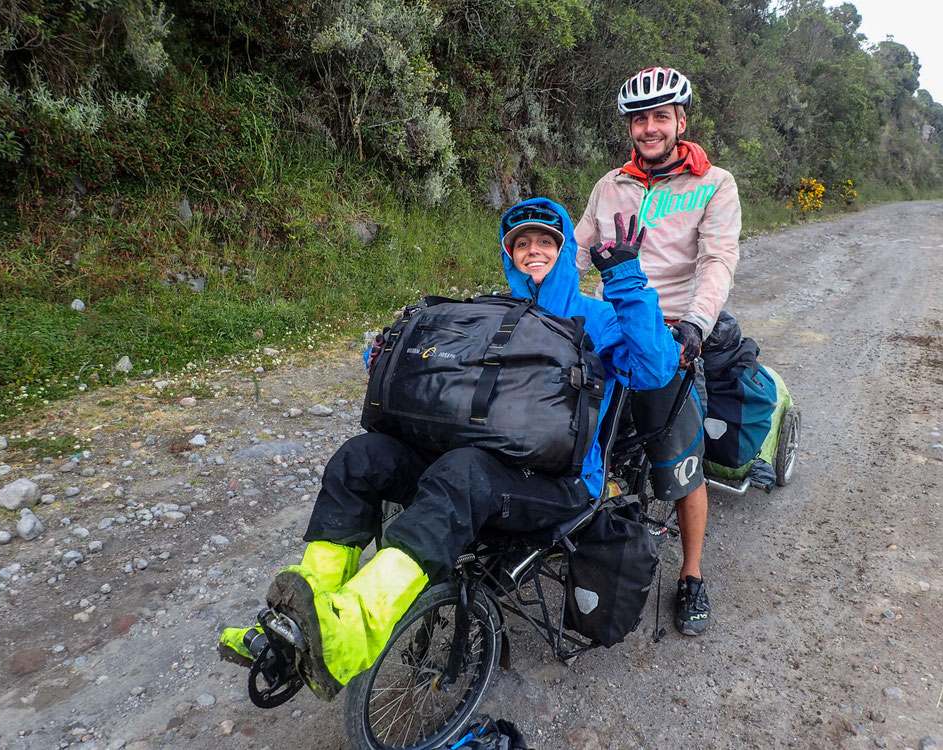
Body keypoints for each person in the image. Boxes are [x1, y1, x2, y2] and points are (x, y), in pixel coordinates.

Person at [218, 197, 680, 699]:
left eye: (545, 241)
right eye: (520, 243)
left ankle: (348, 633)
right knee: (361, 457)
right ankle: (298, 623)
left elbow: (655, 368)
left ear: (564, 248)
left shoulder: (598, 317)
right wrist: (385, 355)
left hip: (559, 484)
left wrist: (627, 280)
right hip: (472, 462)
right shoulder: (491, 314)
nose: (532, 251)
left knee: (463, 471)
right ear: (509, 255)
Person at [574, 67, 742, 636]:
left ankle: (691, 575)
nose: (648, 128)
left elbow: (717, 261)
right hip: (614, 325)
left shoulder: (714, 183)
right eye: (639, 119)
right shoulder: (609, 185)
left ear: (680, 122)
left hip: (671, 331)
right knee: (571, 424)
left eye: (659, 117)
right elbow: (575, 255)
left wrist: (695, 324)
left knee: (678, 461)